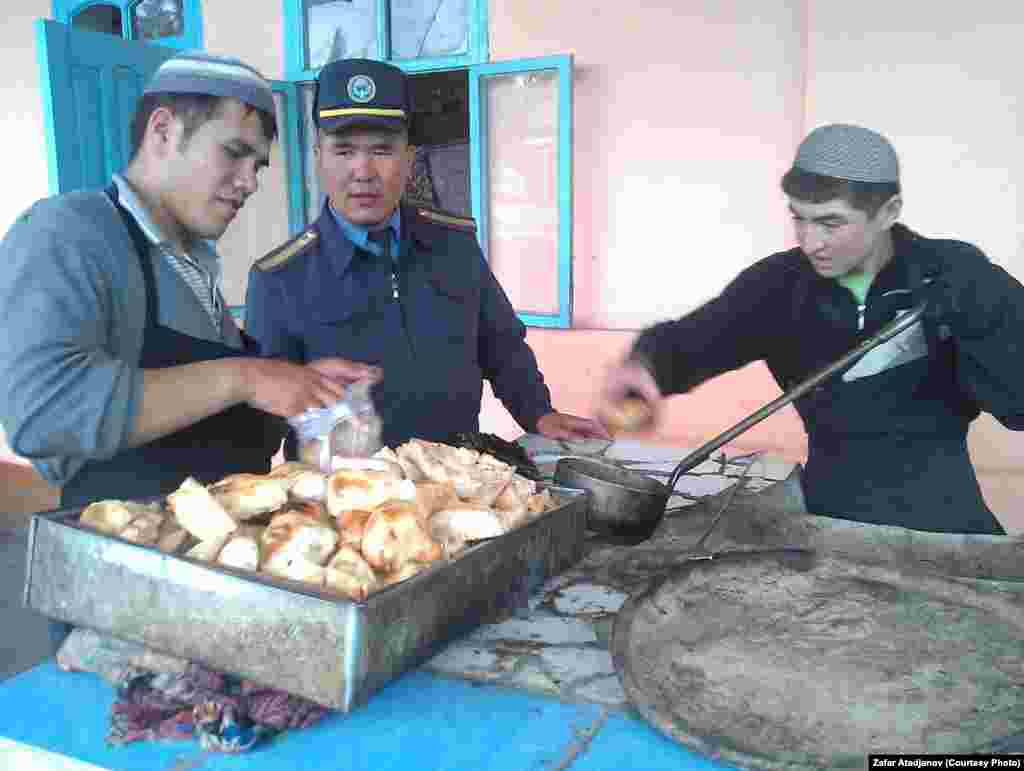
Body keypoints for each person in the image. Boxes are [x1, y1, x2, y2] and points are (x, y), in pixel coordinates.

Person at [599, 123, 1024, 535]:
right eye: (799, 219)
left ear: (888, 212)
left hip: (945, 523)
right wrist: (648, 365)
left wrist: (983, 316)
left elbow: (1018, 407)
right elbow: (693, 342)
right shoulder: (780, 286)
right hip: (829, 521)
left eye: (830, 223)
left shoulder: (956, 276)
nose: (810, 241)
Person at [0, 52, 380, 507]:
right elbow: (45, 414)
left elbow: (205, 411)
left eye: (257, 166)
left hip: (214, 563)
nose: (249, 183)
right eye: (234, 153)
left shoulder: (191, 266)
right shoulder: (70, 231)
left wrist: (298, 387)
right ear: (163, 130)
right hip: (125, 564)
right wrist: (246, 377)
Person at [245, 58, 608, 452]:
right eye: (344, 151)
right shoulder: (281, 279)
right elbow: (261, 426)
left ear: (410, 157)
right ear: (319, 157)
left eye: (382, 150)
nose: (363, 171)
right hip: (346, 500)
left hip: (457, 481)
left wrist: (539, 413)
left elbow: (501, 344)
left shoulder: (454, 243)